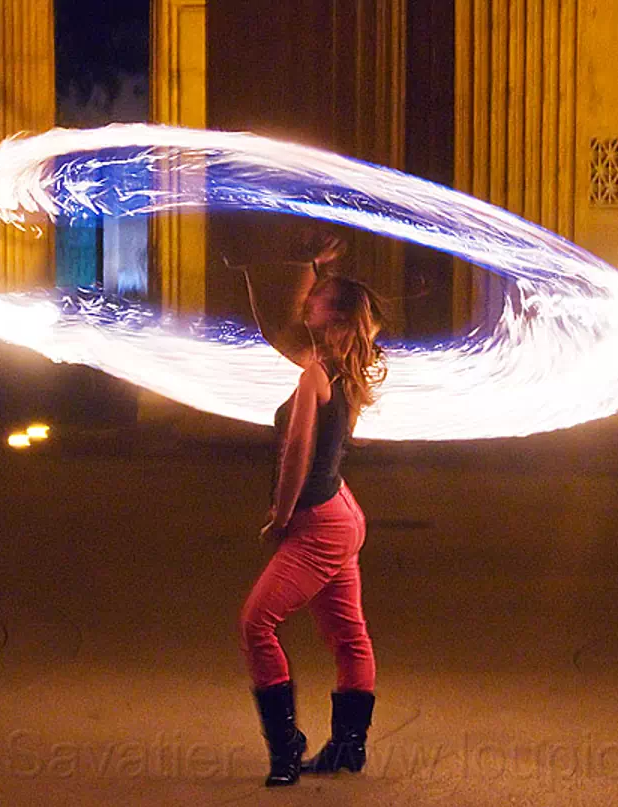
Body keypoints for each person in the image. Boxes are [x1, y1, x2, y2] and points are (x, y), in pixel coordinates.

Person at [229, 232, 388, 787]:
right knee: (348, 636)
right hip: (343, 514)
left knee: (256, 624)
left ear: (335, 319)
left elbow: (297, 452)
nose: (305, 304)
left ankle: (285, 748)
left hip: (320, 522)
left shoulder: (314, 375)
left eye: (315, 301)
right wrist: (306, 266)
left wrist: (280, 514)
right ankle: (348, 748)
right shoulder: (339, 366)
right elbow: (278, 324)